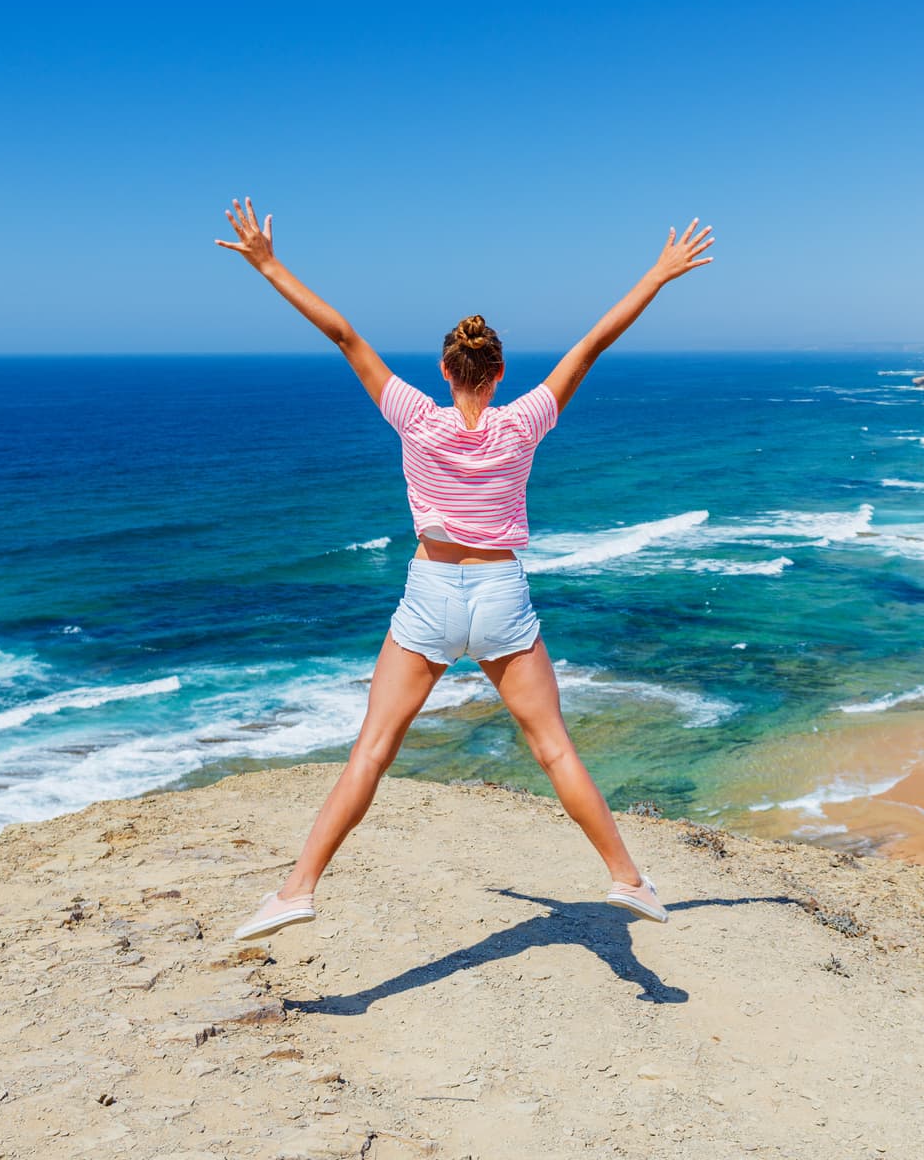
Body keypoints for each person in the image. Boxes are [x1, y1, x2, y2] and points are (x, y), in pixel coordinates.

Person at [215, 198, 715, 941]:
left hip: (429, 596)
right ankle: (627, 879)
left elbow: (343, 333)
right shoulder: (526, 419)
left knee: (374, 750)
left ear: (445, 370)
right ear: (499, 370)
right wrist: (660, 274)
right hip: (502, 595)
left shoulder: (415, 415)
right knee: (552, 749)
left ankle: (296, 890)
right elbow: (594, 342)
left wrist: (266, 263)